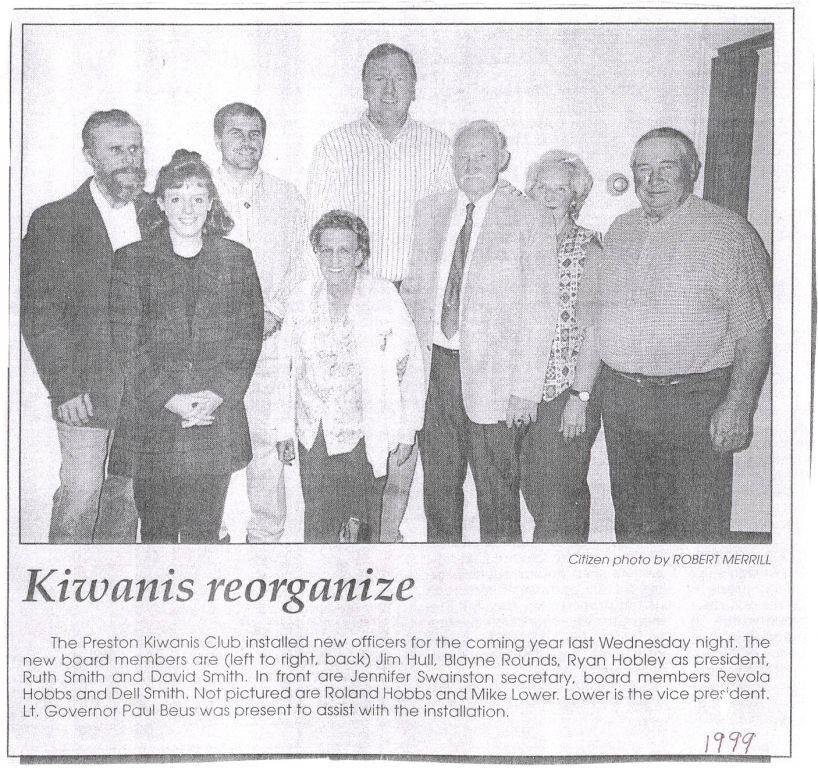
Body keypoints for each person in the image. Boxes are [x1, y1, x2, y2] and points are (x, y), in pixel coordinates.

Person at [576, 127, 772, 543]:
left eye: (667, 167)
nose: (653, 180)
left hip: (695, 402)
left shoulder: (729, 234)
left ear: (692, 170)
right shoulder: (620, 229)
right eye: (643, 169)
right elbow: (599, 314)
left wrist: (738, 405)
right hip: (625, 401)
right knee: (634, 524)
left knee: (698, 525)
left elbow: (754, 333)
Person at [306, 43, 454, 542]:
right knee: (351, 419)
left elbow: (451, 230)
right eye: (378, 79)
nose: (390, 89)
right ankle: (347, 536)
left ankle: (386, 537)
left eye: (400, 79)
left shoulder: (438, 147)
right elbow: (319, 228)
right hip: (354, 292)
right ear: (363, 87)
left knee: (403, 423)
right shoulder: (335, 144)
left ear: (414, 87)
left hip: (415, 297)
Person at [401, 120, 558, 543]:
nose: (471, 165)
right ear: (452, 161)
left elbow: (541, 310)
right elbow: (415, 293)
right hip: (434, 373)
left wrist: (526, 389)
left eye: (482, 156)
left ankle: (499, 588)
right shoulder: (428, 210)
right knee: (438, 491)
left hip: (497, 383)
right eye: (463, 157)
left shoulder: (529, 216)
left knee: (497, 494)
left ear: (503, 161)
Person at [108, 150, 264, 544]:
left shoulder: (237, 259)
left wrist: (216, 393)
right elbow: (127, 342)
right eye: (176, 197)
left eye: (198, 197)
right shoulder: (131, 260)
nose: (187, 208)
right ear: (160, 204)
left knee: (203, 533)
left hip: (215, 417)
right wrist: (170, 398)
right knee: (157, 534)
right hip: (154, 420)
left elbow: (247, 335)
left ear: (211, 202)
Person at [21, 109, 149, 543]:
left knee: (127, 499)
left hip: (143, 392)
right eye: (116, 150)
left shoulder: (158, 213)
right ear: (89, 155)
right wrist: (63, 386)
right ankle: (60, 594)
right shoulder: (53, 220)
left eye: (135, 148)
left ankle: (109, 597)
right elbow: (40, 314)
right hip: (84, 392)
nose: (130, 160)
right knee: (80, 497)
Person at [274, 210, 425, 544]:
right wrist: (283, 428)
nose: (334, 259)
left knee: (365, 529)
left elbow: (411, 366)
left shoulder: (383, 296)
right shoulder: (301, 297)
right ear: (316, 253)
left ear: (359, 255)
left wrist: (406, 431)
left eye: (344, 250)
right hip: (314, 435)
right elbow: (286, 368)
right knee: (319, 529)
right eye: (326, 250)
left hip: (364, 434)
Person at [212, 102, 307, 544]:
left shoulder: (288, 196)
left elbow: (301, 265)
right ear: (219, 140)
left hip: (272, 338)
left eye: (255, 133)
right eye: (236, 133)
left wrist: (276, 311)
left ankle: (266, 536)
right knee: (208, 437)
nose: (247, 142)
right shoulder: (200, 192)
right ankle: (207, 531)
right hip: (212, 344)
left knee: (267, 442)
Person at [519, 150, 602, 543]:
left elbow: (595, 329)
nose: (550, 195)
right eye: (542, 187)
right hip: (522, 389)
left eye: (561, 188)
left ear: (576, 195)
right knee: (543, 490)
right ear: (530, 193)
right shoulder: (516, 245)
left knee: (555, 495)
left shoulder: (590, 247)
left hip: (567, 388)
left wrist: (580, 397)